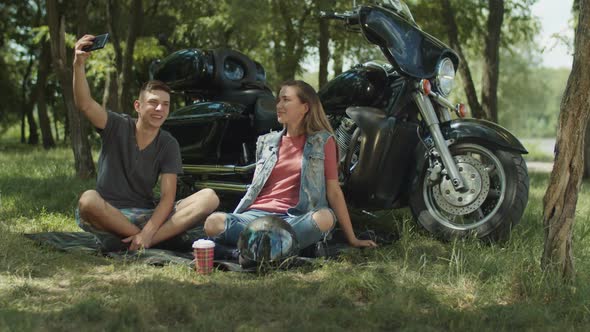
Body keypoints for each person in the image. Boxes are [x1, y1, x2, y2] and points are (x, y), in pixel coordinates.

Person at [72, 34, 219, 251]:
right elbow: (84, 104)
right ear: (138, 106)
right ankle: (153, 240)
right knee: (87, 200)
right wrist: (78, 64)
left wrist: (149, 229)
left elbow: (168, 197)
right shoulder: (115, 125)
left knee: (209, 197)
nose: (160, 109)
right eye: (153, 103)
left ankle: (144, 240)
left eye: (165, 105)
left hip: (147, 214)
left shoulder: (168, 143)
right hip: (110, 214)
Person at [204, 80, 377, 250]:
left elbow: (334, 191)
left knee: (325, 218)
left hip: (295, 218)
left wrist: (352, 238)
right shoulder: (266, 141)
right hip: (256, 216)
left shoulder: (323, 141)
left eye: (286, 100)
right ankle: (277, 247)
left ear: (305, 107)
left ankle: (253, 247)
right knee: (214, 222)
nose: (279, 105)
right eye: (279, 100)